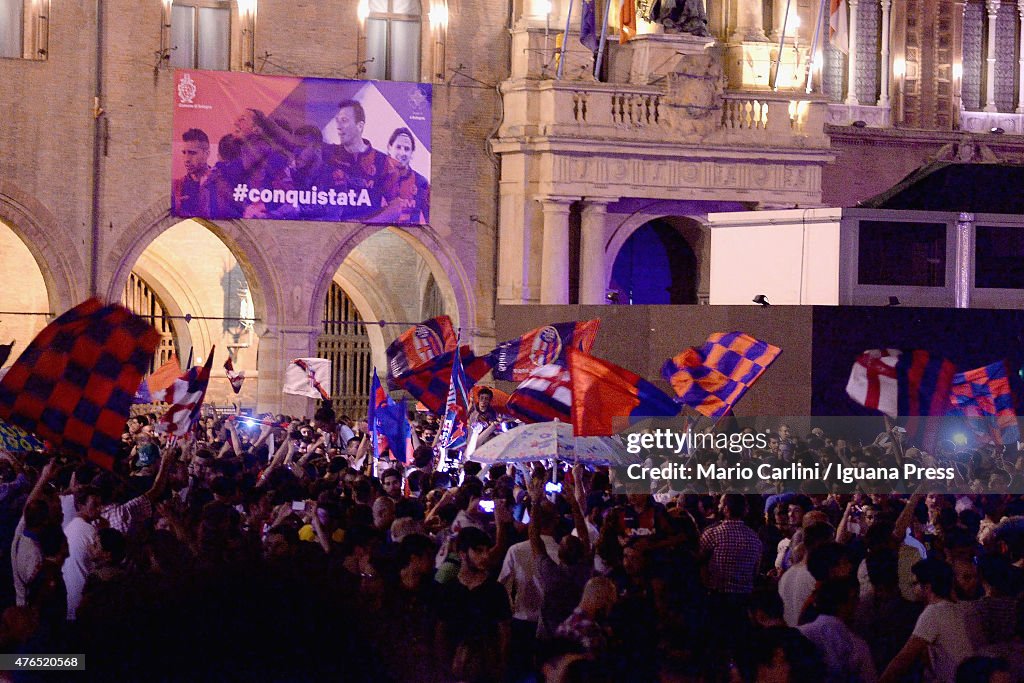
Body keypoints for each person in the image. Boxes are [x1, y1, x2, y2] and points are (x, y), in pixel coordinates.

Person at [881, 558, 979, 682]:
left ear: (927, 587)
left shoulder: (933, 613)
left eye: (915, 583)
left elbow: (903, 659)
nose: (912, 588)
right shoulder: (965, 608)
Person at [324, 99, 397, 221]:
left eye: (344, 121)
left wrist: (366, 225)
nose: (339, 127)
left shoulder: (382, 162)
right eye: (337, 121)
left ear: (360, 126)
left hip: (364, 235)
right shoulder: (329, 154)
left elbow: (396, 207)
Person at [382, 126, 430, 224]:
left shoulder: (421, 183)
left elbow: (429, 219)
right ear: (389, 148)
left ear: (412, 153)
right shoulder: (378, 178)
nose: (402, 152)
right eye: (398, 147)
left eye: (407, 149)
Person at [172, 128, 211, 216]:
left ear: (207, 154)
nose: (186, 159)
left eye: (192, 153)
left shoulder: (219, 183)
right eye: (184, 152)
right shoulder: (176, 186)